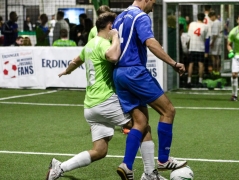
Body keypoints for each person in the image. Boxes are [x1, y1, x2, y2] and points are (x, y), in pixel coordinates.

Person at [46, 12, 167, 180]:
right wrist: (116, 37)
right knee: (142, 124)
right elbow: (113, 55)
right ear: (110, 27)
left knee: (100, 150)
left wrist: (67, 71)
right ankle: (149, 174)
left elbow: (76, 60)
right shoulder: (103, 43)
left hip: (90, 107)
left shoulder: (90, 44)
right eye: (115, 27)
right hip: (105, 100)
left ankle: (59, 168)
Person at [112, 0, 187, 179]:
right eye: (153, 1)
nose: (154, 6)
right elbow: (150, 43)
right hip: (134, 71)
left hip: (119, 73)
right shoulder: (141, 16)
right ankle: (163, 159)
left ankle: (127, 165)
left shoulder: (119, 17)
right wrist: (173, 63)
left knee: (141, 122)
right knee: (168, 110)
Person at [186, 12, 209, 88]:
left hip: (192, 47)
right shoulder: (205, 26)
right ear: (204, 18)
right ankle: (200, 81)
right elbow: (206, 38)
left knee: (191, 64)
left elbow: (189, 36)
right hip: (200, 48)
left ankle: (189, 81)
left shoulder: (192, 24)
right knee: (201, 64)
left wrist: (188, 45)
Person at [209, 11, 222, 75]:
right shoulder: (219, 22)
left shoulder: (215, 23)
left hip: (216, 41)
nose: (210, 19)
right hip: (218, 40)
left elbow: (215, 34)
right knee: (217, 56)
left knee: (214, 56)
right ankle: (217, 70)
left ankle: (215, 70)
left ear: (213, 16)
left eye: (210, 17)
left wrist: (212, 43)